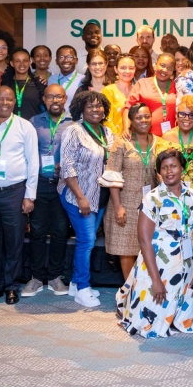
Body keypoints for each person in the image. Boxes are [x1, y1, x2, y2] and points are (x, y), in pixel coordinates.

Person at [116, 149, 193, 337]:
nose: (169, 171)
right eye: (164, 168)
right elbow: (144, 240)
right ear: (159, 172)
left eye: (173, 166)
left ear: (182, 168)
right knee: (150, 324)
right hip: (157, 265)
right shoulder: (152, 199)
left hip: (187, 263)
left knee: (187, 322)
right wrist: (156, 280)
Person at [0, 86, 38, 306]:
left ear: (14, 102)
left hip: (14, 191)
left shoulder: (25, 126)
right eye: (0, 99)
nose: (4, 103)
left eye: (8, 99)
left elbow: (33, 161)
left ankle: (11, 286)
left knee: (14, 241)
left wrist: (29, 196)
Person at [58, 90, 114, 308]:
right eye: (90, 106)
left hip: (100, 195)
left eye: (99, 106)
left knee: (87, 241)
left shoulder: (107, 132)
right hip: (77, 194)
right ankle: (82, 288)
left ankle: (74, 282)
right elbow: (67, 167)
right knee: (87, 241)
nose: (95, 109)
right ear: (81, 108)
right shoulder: (73, 131)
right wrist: (81, 198)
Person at [105, 103, 170, 281]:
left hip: (151, 204)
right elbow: (112, 175)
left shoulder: (159, 141)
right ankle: (128, 291)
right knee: (126, 248)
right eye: (138, 117)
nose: (143, 120)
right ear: (131, 121)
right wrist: (118, 206)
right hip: (126, 202)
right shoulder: (122, 143)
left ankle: (144, 291)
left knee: (148, 246)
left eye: (146, 116)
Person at [22, 84, 73, 298]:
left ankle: (55, 277)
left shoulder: (74, 124)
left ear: (65, 99)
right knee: (38, 232)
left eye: (59, 97)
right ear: (44, 99)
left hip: (64, 184)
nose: (55, 100)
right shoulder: (33, 123)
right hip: (41, 184)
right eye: (51, 96)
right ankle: (36, 277)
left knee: (61, 232)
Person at [162, 95, 193, 199]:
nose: (186, 118)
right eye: (182, 114)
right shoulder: (167, 137)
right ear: (176, 115)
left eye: (191, 115)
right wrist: (170, 194)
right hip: (173, 196)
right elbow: (159, 170)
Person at [126, 52, 177, 137]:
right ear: (155, 65)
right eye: (162, 65)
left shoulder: (177, 86)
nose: (165, 70)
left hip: (171, 138)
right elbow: (128, 108)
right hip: (146, 138)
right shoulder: (142, 83)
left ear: (173, 71)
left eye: (169, 68)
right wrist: (126, 129)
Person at [0, 48, 47, 119]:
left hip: (33, 127)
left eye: (25, 61)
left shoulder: (39, 83)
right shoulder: (6, 84)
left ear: (30, 62)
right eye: (17, 61)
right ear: (12, 63)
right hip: (11, 127)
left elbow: (46, 108)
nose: (22, 64)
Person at [100, 54, 136, 136]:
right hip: (115, 139)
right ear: (116, 69)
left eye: (131, 68)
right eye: (123, 68)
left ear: (135, 70)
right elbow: (106, 119)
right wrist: (116, 138)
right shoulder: (108, 90)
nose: (127, 71)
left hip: (136, 140)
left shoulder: (137, 90)